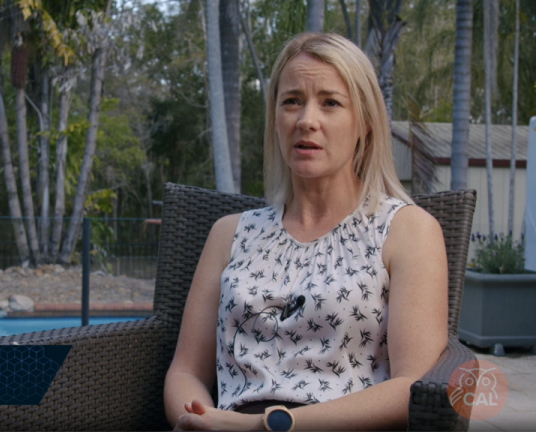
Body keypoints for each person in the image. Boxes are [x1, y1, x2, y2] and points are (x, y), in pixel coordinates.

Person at [164, 32, 449, 431]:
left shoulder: (407, 231)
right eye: (292, 101)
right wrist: (198, 419)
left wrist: (267, 426)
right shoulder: (229, 234)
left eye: (330, 103)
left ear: (365, 123)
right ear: (275, 120)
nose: (306, 121)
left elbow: (412, 387)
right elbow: (185, 371)